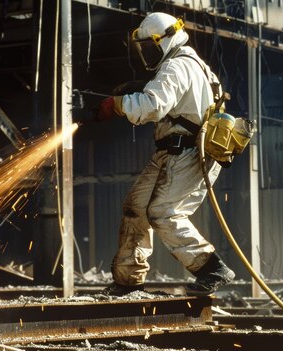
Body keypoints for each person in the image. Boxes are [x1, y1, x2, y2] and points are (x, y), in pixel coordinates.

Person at [94, 12, 235, 296]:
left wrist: (117, 104)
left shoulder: (177, 66)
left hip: (190, 152)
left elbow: (152, 106)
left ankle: (211, 267)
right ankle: (128, 281)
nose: (147, 52)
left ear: (165, 40)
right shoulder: (187, 64)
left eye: (150, 46)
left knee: (163, 213)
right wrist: (138, 89)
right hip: (171, 151)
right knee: (136, 207)